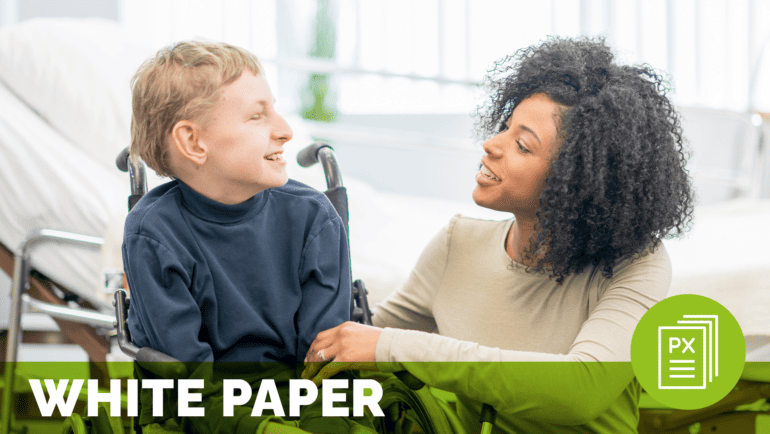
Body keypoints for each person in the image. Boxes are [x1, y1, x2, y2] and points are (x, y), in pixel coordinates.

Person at [304, 36, 694, 433]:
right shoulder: (457, 244)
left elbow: (581, 389)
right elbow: (365, 338)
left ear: (577, 181)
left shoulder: (637, 265)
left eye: (522, 145)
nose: (491, 145)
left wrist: (393, 347)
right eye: (505, 128)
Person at [124, 41, 368, 434]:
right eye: (258, 116)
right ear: (193, 142)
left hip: (305, 403)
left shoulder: (313, 218)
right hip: (203, 413)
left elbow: (325, 363)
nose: (285, 131)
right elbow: (188, 382)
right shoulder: (153, 234)